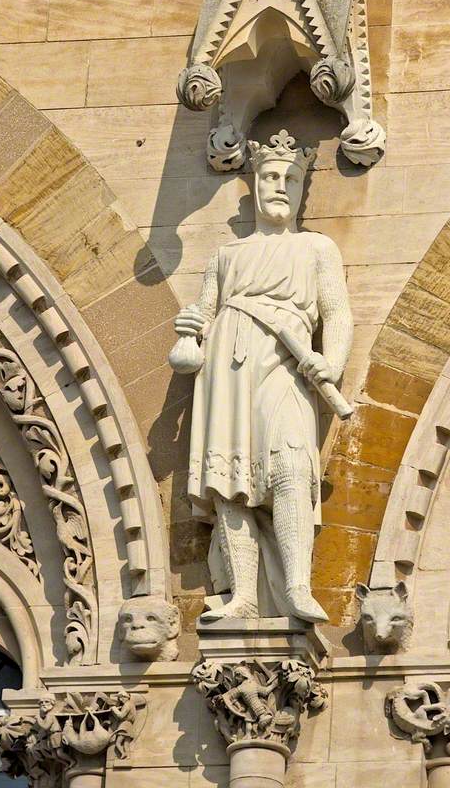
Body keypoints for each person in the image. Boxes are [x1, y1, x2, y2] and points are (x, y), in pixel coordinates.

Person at [172, 130, 353, 624]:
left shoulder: (317, 248)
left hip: (285, 367)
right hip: (226, 372)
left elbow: (337, 314)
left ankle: (296, 585)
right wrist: (190, 329)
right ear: (254, 183)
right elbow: (203, 317)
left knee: (291, 465)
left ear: (300, 189)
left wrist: (331, 363)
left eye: (290, 178)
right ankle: (244, 595)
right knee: (229, 477)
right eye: (270, 176)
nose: (279, 185)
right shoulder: (227, 256)